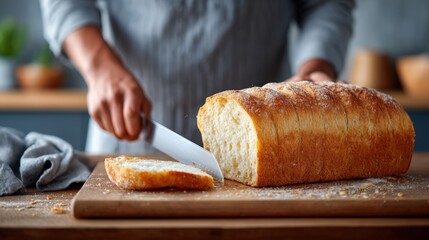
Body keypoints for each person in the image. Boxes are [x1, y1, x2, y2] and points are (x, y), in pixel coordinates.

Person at [40, 0, 354, 154]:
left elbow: (326, 4)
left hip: (267, 148)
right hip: (130, 134)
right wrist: (98, 65)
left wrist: (316, 68)